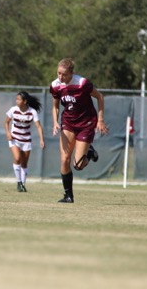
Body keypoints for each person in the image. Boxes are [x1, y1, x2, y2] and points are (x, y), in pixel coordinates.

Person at [50, 58, 108, 203]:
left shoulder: (82, 84)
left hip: (86, 123)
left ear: (71, 73)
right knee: (64, 160)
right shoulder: (56, 86)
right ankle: (68, 196)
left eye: (64, 74)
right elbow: (56, 106)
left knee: (78, 165)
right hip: (68, 123)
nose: (60, 77)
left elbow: (100, 97)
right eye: (58, 73)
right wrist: (55, 122)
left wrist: (100, 120)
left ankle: (90, 152)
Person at [4, 91, 45, 193]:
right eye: (16, 99)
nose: (16, 101)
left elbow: (39, 126)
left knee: (24, 163)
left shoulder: (32, 112)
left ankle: (23, 184)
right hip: (14, 139)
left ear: (25, 101)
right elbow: (6, 122)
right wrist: (8, 133)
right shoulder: (13, 110)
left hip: (26, 140)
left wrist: (41, 140)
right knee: (17, 158)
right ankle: (19, 183)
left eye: (19, 99)